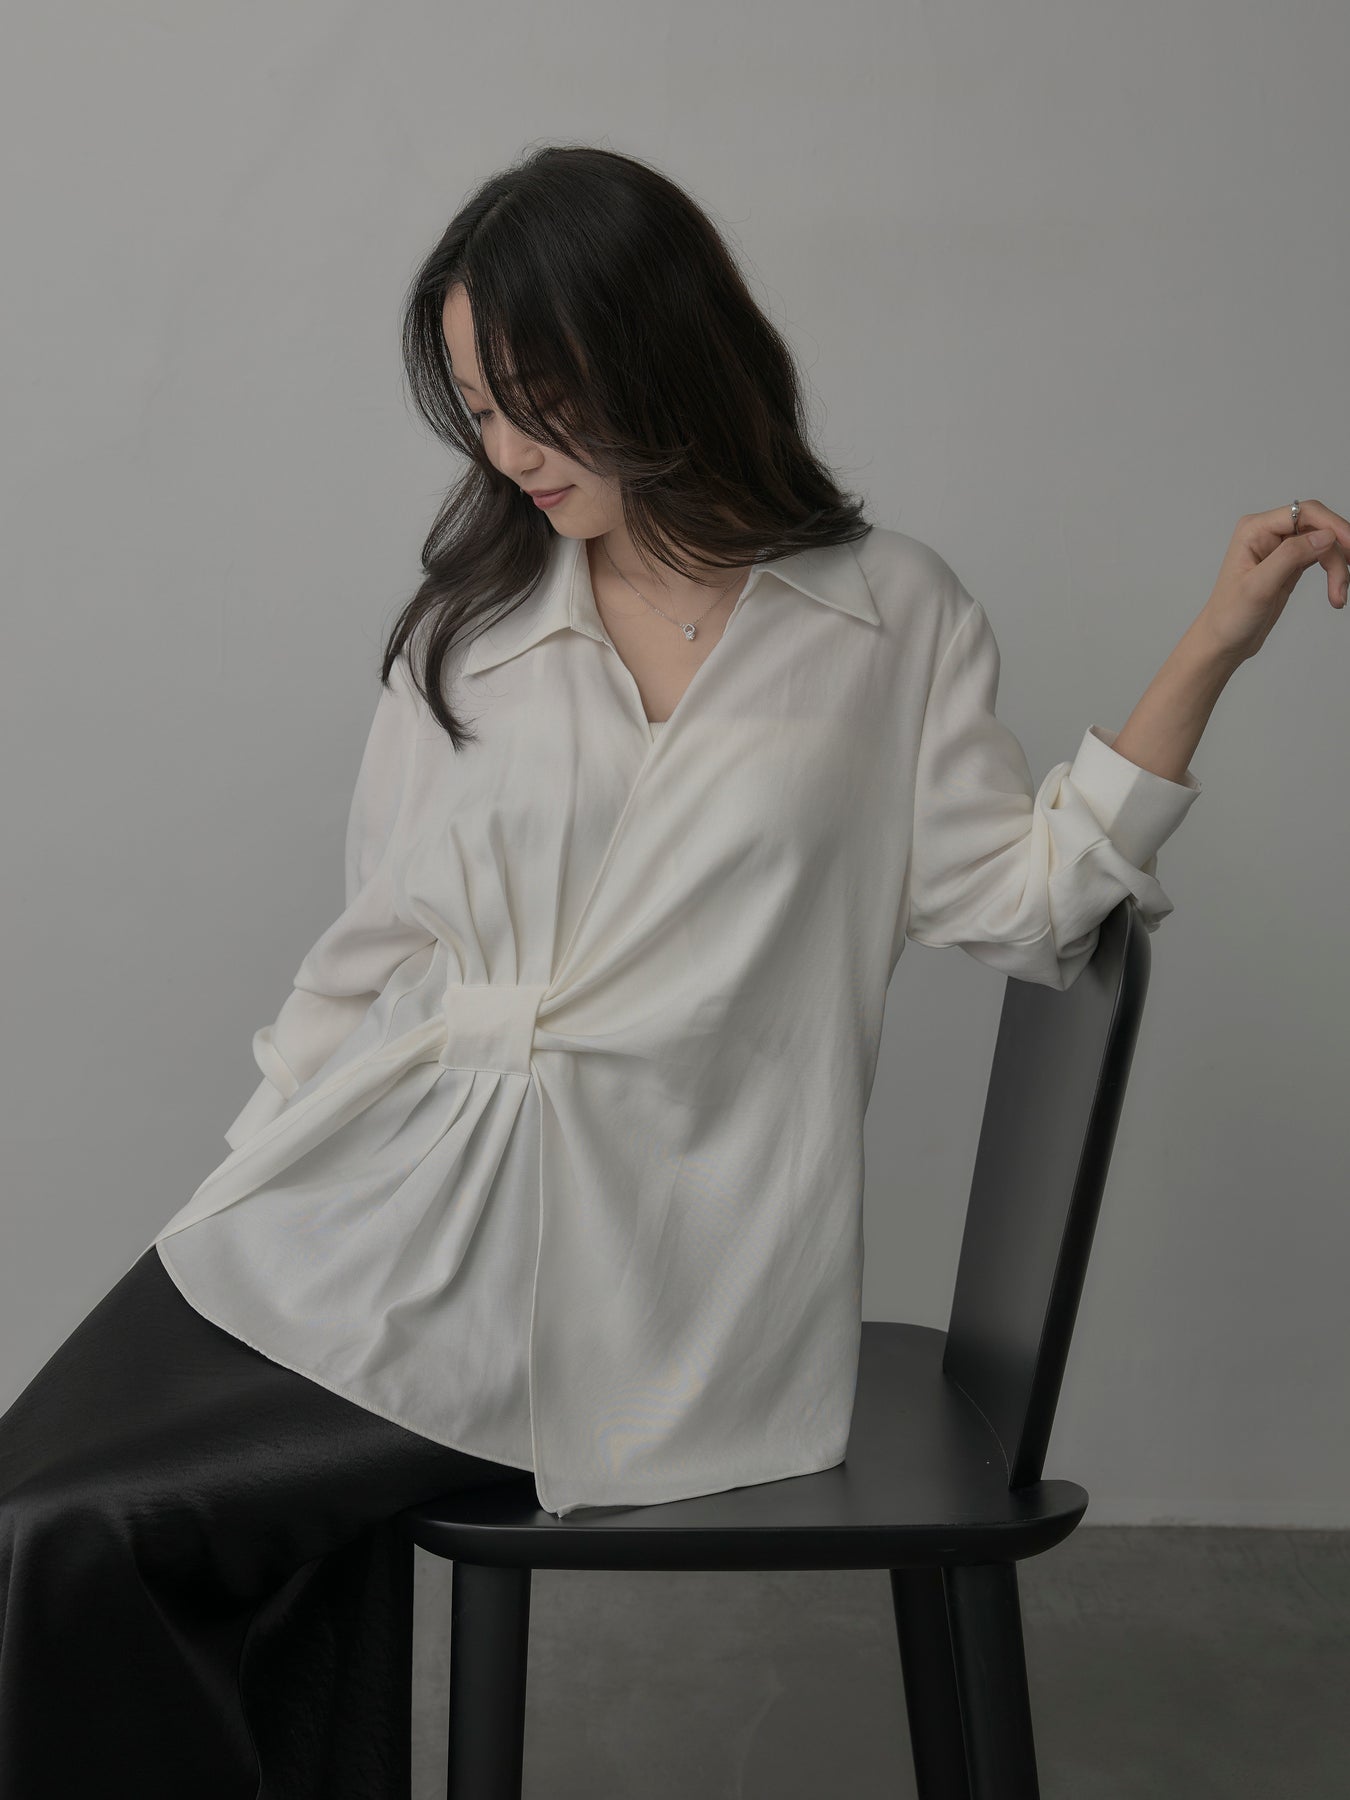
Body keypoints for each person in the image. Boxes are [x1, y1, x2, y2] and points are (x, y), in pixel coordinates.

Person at [2, 141, 1345, 1800]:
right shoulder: (477, 619)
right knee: (36, 1525)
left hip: (646, 1265)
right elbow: (371, 958)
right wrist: (245, 1188)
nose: (508, 451)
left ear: (662, 356)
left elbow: (1026, 903)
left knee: (70, 1537)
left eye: (537, 402)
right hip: (386, 1195)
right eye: (477, 410)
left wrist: (1213, 641)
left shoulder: (886, 616)